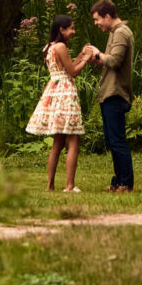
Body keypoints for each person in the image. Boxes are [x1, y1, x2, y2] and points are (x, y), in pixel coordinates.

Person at [26, 14, 93, 192]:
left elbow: (65, 65)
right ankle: (69, 186)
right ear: (61, 30)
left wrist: (80, 54)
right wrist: (86, 59)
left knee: (57, 142)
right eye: (70, 28)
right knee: (73, 141)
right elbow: (72, 71)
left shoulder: (49, 47)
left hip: (54, 90)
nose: (73, 31)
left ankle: (50, 185)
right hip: (65, 93)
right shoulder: (61, 46)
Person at [83, 0, 135, 192]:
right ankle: (118, 181)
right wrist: (95, 60)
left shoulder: (121, 32)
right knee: (112, 139)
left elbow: (113, 61)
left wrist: (97, 54)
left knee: (117, 139)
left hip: (116, 93)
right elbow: (109, 62)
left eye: (97, 19)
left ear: (107, 16)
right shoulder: (115, 32)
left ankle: (126, 183)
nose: (96, 23)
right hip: (109, 93)